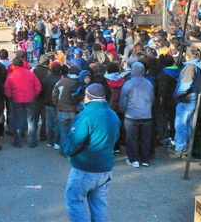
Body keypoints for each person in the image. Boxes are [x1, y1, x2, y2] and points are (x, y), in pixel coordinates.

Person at [64, 84, 120, 222]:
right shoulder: (113, 115)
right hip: (105, 168)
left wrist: (68, 152)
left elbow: (74, 141)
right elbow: (116, 137)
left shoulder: (86, 116)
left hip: (85, 168)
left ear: (87, 96)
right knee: (99, 204)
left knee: (74, 201)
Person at [119, 62, 154, 168]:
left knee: (131, 138)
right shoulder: (149, 83)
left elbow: (123, 101)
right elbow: (152, 99)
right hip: (147, 115)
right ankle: (145, 159)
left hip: (131, 115)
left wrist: (123, 111)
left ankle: (133, 159)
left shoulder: (128, 84)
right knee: (145, 138)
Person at [171, 47, 201, 159]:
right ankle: (186, 147)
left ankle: (181, 147)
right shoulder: (197, 66)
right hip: (190, 99)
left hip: (186, 99)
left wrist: (177, 94)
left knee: (180, 125)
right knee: (187, 125)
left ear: (188, 56)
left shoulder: (190, 67)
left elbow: (186, 84)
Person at [5, 58, 41, 148]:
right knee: (31, 120)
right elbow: (38, 87)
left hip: (17, 100)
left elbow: (7, 89)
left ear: (14, 65)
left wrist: (11, 96)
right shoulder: (30, 74)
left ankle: (18, 141)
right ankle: (32, 141)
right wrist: (34, 95)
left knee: (17, 119)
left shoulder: (11, 75)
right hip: (30, 99)